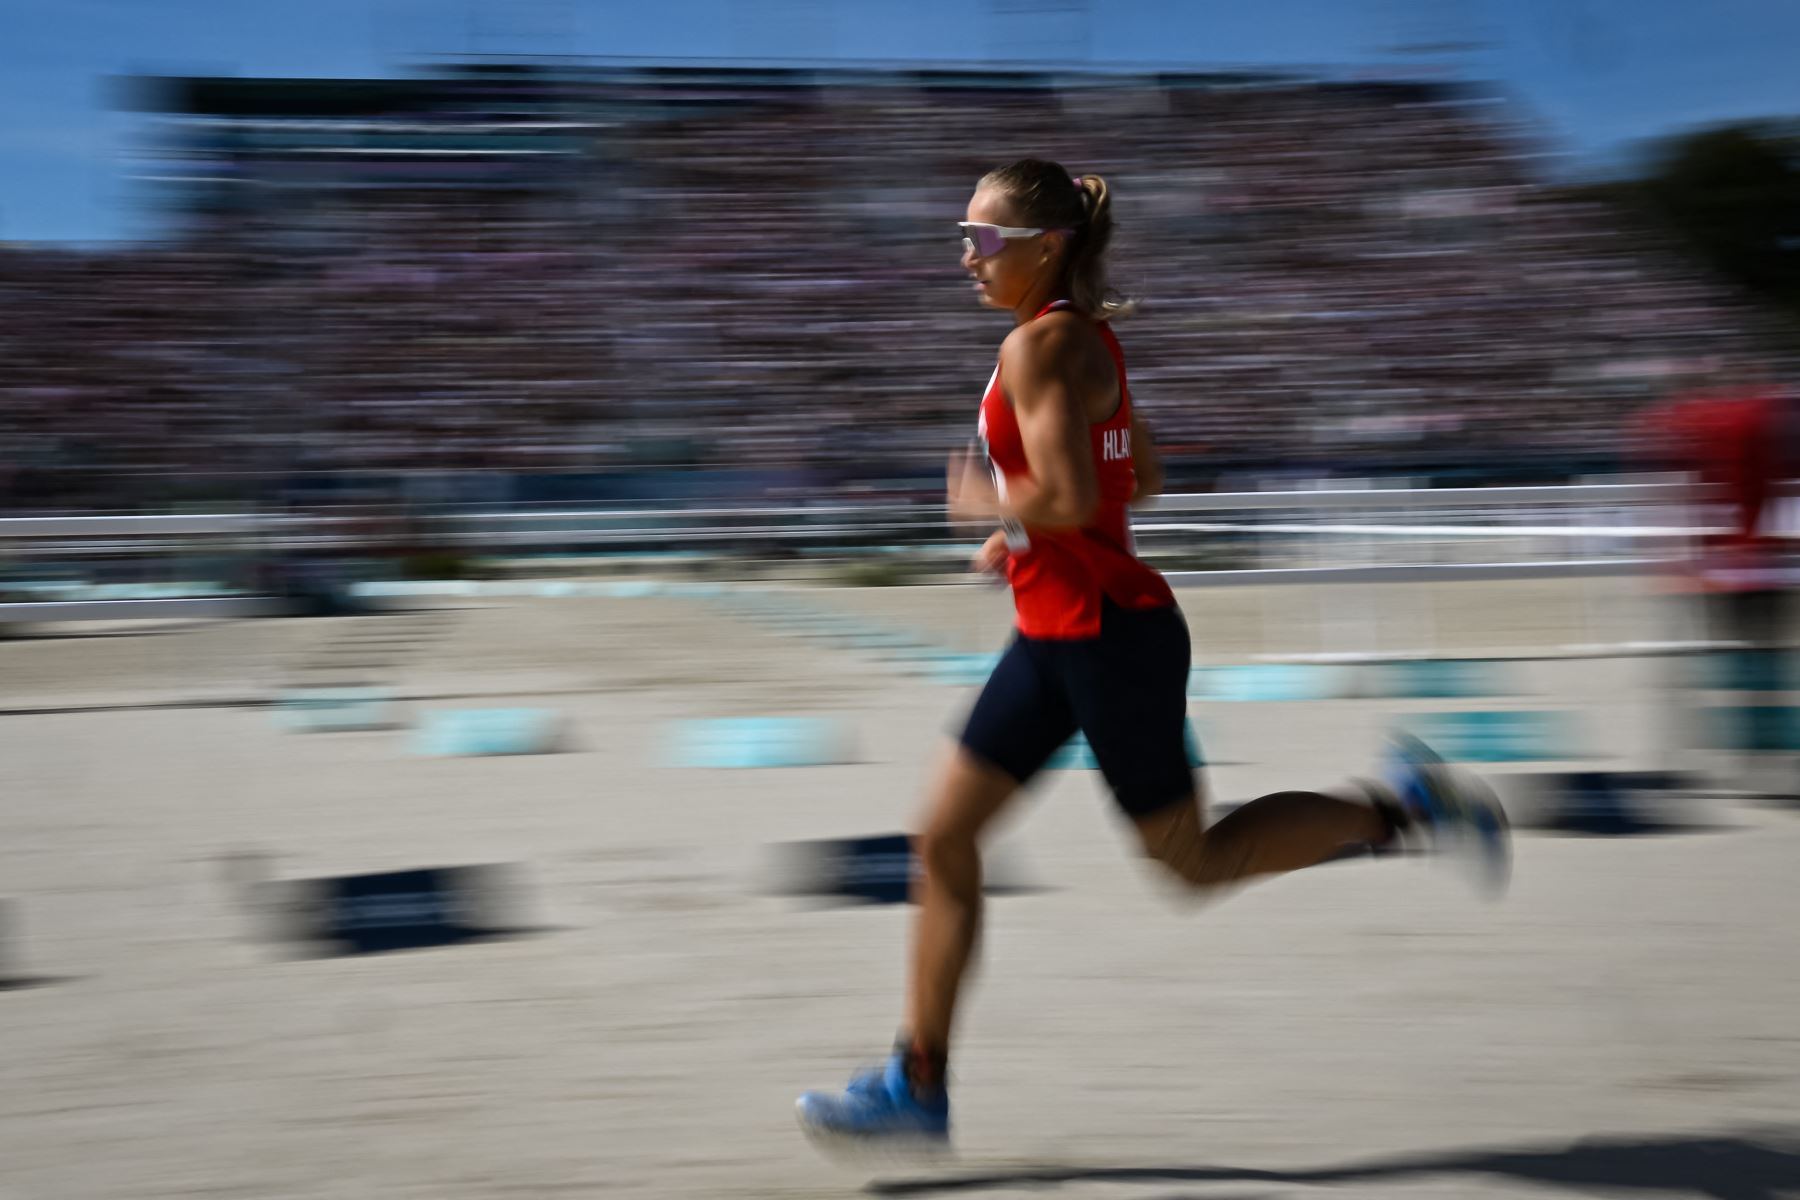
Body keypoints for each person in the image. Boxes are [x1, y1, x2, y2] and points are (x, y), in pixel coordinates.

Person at [795, 159, 1510, 1149]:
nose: (966, 255)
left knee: (1194, 862)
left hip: (1109, 642)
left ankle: (1404, 809)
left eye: (984, 239)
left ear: (1046, 247)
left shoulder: (1040, 347)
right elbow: (1147, 476)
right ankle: (918, 1084)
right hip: (1054, 634)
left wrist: (993, 506)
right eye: (959, 235)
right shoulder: (1090, 343)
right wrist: (1028, 537)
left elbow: (1081, 495)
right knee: (943, 840)